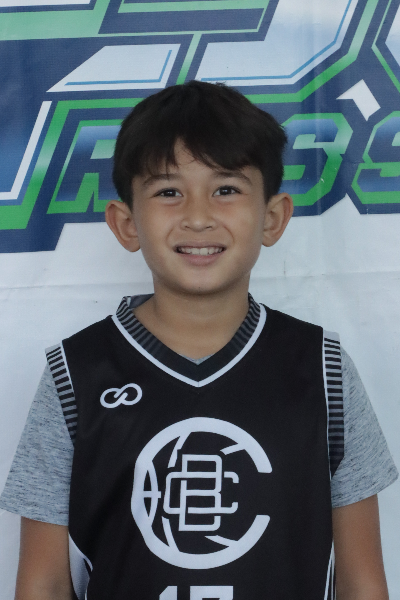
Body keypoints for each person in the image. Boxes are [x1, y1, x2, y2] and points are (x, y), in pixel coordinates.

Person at [0, 81, 398, 600]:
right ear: (126, 223)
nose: (198, 216)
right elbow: (44, 585)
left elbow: (363, 585)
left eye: (226, 189)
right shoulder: (75, 375)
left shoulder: (323, 369)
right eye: (169, 192)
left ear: (273, 217)